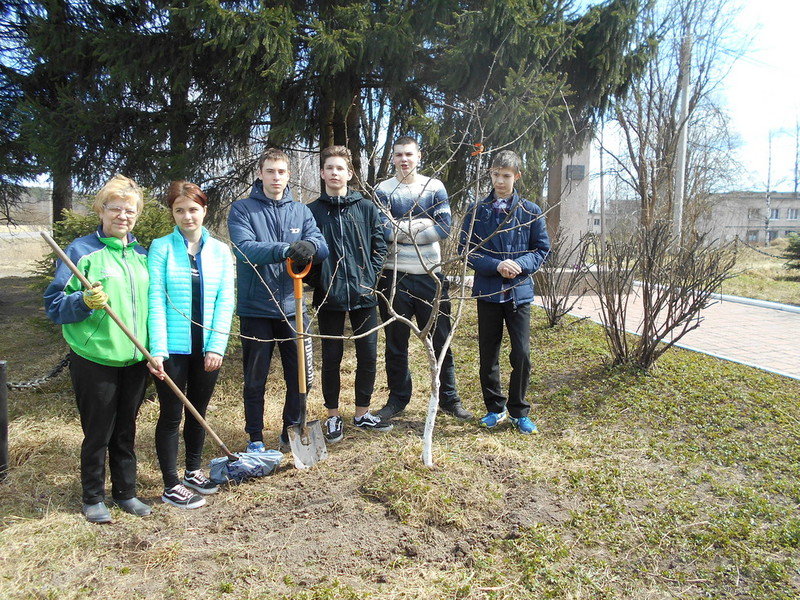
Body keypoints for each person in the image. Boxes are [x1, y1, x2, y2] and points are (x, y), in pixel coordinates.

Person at [44, 174, 152, 523]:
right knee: (98, 431)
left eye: (129, 210)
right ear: (101, 211)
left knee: (126, 430)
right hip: (96, 358)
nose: (123, 216)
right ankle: (93, 496)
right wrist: (84, 301)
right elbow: (54, 304)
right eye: (115, 209)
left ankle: (126, 492)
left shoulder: (141, 254)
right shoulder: (81, 251)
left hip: (135, 357)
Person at [228, 148, 328, 452]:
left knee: (301, 376)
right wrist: (285, 250)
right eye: (270, 171)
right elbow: (245, 248)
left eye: (281, 171)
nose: (276, 177)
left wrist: (308, 245)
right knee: (255, 379)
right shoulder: (242, 209)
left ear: (289, 175)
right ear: (260, 173)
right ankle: (255, 437)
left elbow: (321, 246)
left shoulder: (300, 211)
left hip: (292, 307)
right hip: (256, 307)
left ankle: (291, 429)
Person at [147, 181, 235, 509]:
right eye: (179, 210)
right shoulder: (161, 248)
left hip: (206, 348)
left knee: (198, 412)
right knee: (171, 414)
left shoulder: (220, 251)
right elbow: (155, 299)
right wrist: (158, 349)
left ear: (204, 211)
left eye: (193, 209)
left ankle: (193, 470)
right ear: (172, 212)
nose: (187, 217)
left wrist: (217, 346)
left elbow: (225, 300)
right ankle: (171, 485)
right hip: (172, 348)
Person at [373, 136, 472, 421]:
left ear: (419, 156)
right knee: (395, 342)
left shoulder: (434, 187)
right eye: (398, 155)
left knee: (441, 339)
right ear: (392, 158)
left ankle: (449, 398)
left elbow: (443, 228)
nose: (404, 159)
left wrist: (401, 227)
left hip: (431, 277)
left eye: (409, 154)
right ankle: (397, 399)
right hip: (394, 279)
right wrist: (421, 224)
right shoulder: (382, 190)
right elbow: (383, 231)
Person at [459, 150, 550, 434]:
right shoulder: (477, 211)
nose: (500, 181)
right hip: (488, 292)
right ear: (490, 174)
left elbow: (542, 249)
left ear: (516, 176)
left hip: (518, 292)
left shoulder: (530, 211)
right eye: (496, 174)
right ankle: (494, 408)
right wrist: (496, 266)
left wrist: (519, 265)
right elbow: (466, 251)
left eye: (506, 176)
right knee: (489, 353)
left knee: (521, 353)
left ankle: (519, 411)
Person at [307, 145, 391, 443]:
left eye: (340, 168)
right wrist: (321, 281)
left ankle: (362, 412)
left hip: (364, 293)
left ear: (349, 173)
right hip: (329, 296)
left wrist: (369, 277)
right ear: (322, 173)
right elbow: (308, 255)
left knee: (367, 355)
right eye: (329, 168)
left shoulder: (366, 208)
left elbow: (380, 245)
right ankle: (332, 417)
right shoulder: (312, 211)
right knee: (331, 356)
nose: (334, 173)